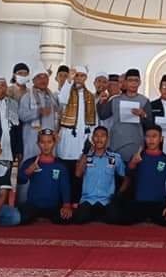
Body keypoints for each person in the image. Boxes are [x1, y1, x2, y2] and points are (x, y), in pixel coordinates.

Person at [105, 126, 166, 226]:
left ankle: (148, 219)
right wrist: (132, 163)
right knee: (115, 217)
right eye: (148, 136)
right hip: (138, 203)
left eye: (154, 136)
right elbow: (126, 175)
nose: (151, 139)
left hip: (157, 204)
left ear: (161, 139)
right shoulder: (138, 156)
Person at [57, 66, 96, 203]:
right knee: (65, 173)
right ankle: (64, 203)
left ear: (86, 78)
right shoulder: (67, 91)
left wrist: (91, 139)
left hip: (83, 140)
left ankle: (76, 204)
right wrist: (68, 81)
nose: (79, 78)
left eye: (82, 75)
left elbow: (93, 120)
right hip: (67, 140)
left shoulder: (90, 95)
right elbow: (62, 100)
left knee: (79, 175)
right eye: (76, 75)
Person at [17, 129, 73, 224]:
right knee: (20, 219)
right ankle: (38, 218)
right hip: (34, 205)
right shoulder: (30, 162)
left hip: (53, 206)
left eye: (49, 142)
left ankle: (41, 219)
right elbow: (20, 180)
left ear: (54, 143)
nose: (46, 146)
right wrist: (28, 171)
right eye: (42, 142)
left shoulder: (60, 165)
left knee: (67, 219)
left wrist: (66, 205)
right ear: (38, 144)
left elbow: (65, 186)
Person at [97, 68, 153, 162]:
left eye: (136, 80)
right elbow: (103, 115)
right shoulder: (115, 100)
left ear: (140, 83)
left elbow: (150, 125)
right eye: (130, 80)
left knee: (134, 170)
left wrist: (143, 115)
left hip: (136, 146)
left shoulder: (144, 101)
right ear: (125, 82)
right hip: (116, 145)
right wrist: (101, 103)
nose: (133, 83)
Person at [72, 126, 124, 224]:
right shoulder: (85, 157)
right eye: (96, 136)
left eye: (103, 136)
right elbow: (78, 174)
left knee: (116, 219)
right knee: (79, 219)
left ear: (107, 139)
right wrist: (85, 153)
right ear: (92, 138)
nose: (99, 139)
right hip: (88, 200)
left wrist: (119, 194)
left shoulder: (115, 158)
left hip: (106, 200)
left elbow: (125, 177)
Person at [17, 66, 59, 160]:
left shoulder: (52, 97)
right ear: (33, 80)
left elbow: (57, 117)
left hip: (50, 139)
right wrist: (37, 112)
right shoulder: (27, 97)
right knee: (32, 164)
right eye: (39, 77)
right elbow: (22, 115)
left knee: (49, 164)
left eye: (45, 77)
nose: (43, 80)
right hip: (33, 139)